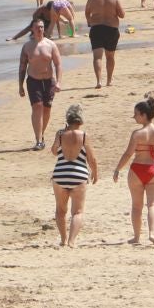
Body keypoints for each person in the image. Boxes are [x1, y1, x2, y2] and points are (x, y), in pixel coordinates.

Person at [111, 96, 154, 246]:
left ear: (144, 115)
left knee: (137, 206)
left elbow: (128, 154)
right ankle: (152, 233)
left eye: (136, 114)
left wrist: (117, 169)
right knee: (153, 205)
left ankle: (137, 237)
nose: (134, 117)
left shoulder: (137, 134)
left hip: (137, 170)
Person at [49, 103, 99, 247]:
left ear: (68, 119)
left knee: (60, 211)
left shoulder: (60, 134)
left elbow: (54, 151)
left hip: (60, 174)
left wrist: (60, 137)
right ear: (80, 120)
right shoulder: (84, 136)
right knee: (77, 212)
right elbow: (91, 158)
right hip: (79, 174)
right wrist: (95, 172)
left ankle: (63, 240)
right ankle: (72, 241)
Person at [18, 18, 62, 149]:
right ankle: (38, 140)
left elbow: (58, 64)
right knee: (37, 107)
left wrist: (58, 82)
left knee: (47, 108)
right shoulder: (27, 46)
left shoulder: (51, 44)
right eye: (37, 27)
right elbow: (22, 67)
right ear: (32, 29)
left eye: (42, 27)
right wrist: (20, 86)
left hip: (48, 80)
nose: (40, 29)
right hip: (33, 80)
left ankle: (41, 134)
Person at [83, 0, 124, 88]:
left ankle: (99, 81)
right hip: (111, 29)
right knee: (110, 56)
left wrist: (89, 21)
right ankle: (109, 81)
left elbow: (87, 11)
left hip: (96, 28)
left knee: (97, 57)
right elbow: (122, 14)